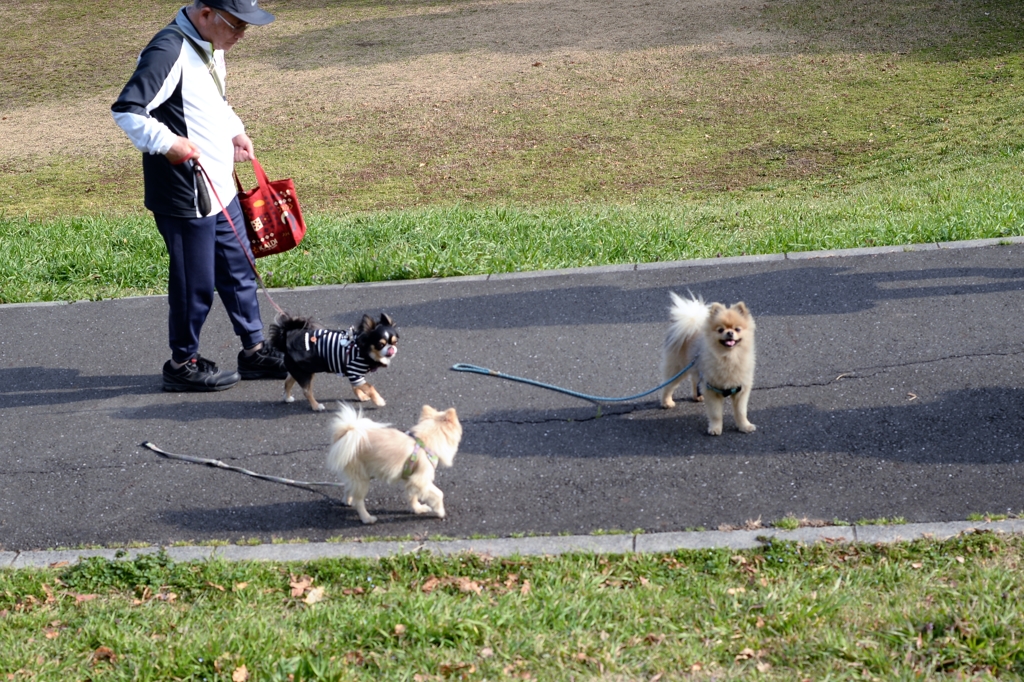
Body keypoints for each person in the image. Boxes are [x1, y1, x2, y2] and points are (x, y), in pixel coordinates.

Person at [111, 0, 286, 391]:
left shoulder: (210, 44)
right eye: (236, 25)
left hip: (219, 187)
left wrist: (235, 129)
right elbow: (128, 110)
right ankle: (182, 363)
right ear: (206, 12)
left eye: (246, 27)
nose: (241, 35)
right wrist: (169, 143)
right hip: (185, 194)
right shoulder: (168, 49)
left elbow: (212, 101)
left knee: (240, 269)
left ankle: (255, 351)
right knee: (197, 283)